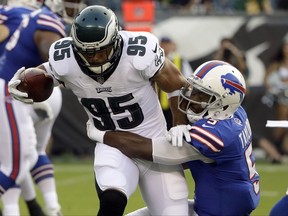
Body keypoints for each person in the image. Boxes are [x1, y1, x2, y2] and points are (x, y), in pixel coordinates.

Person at [8, 5, 191, 216]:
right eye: (87, 51)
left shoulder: (138, 51)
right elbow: (44, 73)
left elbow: (177, 84)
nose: (95, 57)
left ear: (116, 40)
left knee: (173, 213)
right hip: (113, 146)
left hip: (155, 144)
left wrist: (179, 123)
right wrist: (23, 83)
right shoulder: (65, 58)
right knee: (112, 200)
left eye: (101, 50)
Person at [83, 60, 261, 215]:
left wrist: (103, 134)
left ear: (222, 104)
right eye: (195, 90)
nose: (192, 97)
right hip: (218, 205)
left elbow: (152, 150)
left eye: (202, 95)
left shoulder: (218, 135)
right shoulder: (235, 113)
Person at [0, 0, 82, 215]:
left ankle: (31, 208)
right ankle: (49, 207)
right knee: (18, 162)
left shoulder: (21, 16)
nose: (75, 6)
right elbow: (52, 60)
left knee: (19, 158)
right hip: (13, 89)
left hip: (17, 88)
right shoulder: (44, 18)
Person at [158, 36, 193, 129]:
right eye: (163, 44)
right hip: (159, 103)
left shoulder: (180, 60)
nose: (165, 47)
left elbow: (189, 79)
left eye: (167, 44)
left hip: (177, 101)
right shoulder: (156, 59)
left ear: (172, 45)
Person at [263, 35, 288, 157]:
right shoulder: (276, 65)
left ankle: (282, 148)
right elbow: (266, 80)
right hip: (280, 99)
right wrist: (275, 87)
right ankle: (275, 148)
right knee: (282, 121)